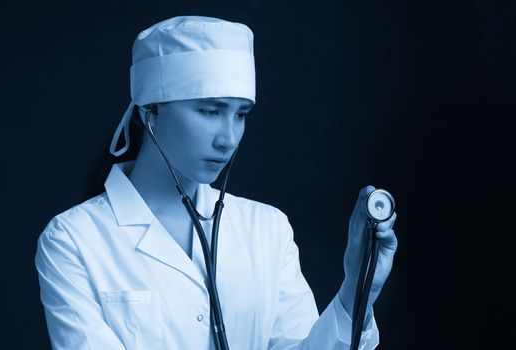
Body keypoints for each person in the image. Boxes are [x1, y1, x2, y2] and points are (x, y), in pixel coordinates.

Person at [35, 16, 398, 350]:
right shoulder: (73, 240)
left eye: (240, 115)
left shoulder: (267, 229)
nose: (229, 138)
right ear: (151, 113)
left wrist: (358, 288)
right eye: (210, 111)